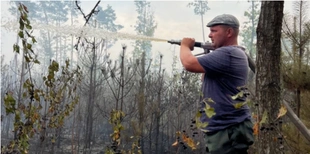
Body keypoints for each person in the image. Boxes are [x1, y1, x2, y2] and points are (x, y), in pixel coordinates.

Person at [179, 14, 254, 154]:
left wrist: (184, 45)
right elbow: (205, 78)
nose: (210, 35)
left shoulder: (229, 53)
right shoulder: (230, 53)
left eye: (214, 31)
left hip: (228, 129)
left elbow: (188, 63)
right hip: (225, 127)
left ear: (229, 32)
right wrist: (209, 54)